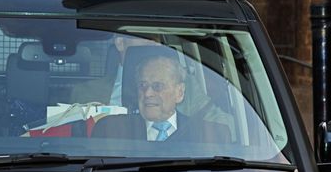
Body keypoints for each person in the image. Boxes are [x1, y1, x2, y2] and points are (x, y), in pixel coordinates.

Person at [92, 56, 231, 143]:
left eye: (157, 86)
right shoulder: (110, 131)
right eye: (143, 85)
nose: (147, 93)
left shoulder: (211, 136)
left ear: (180, 92)